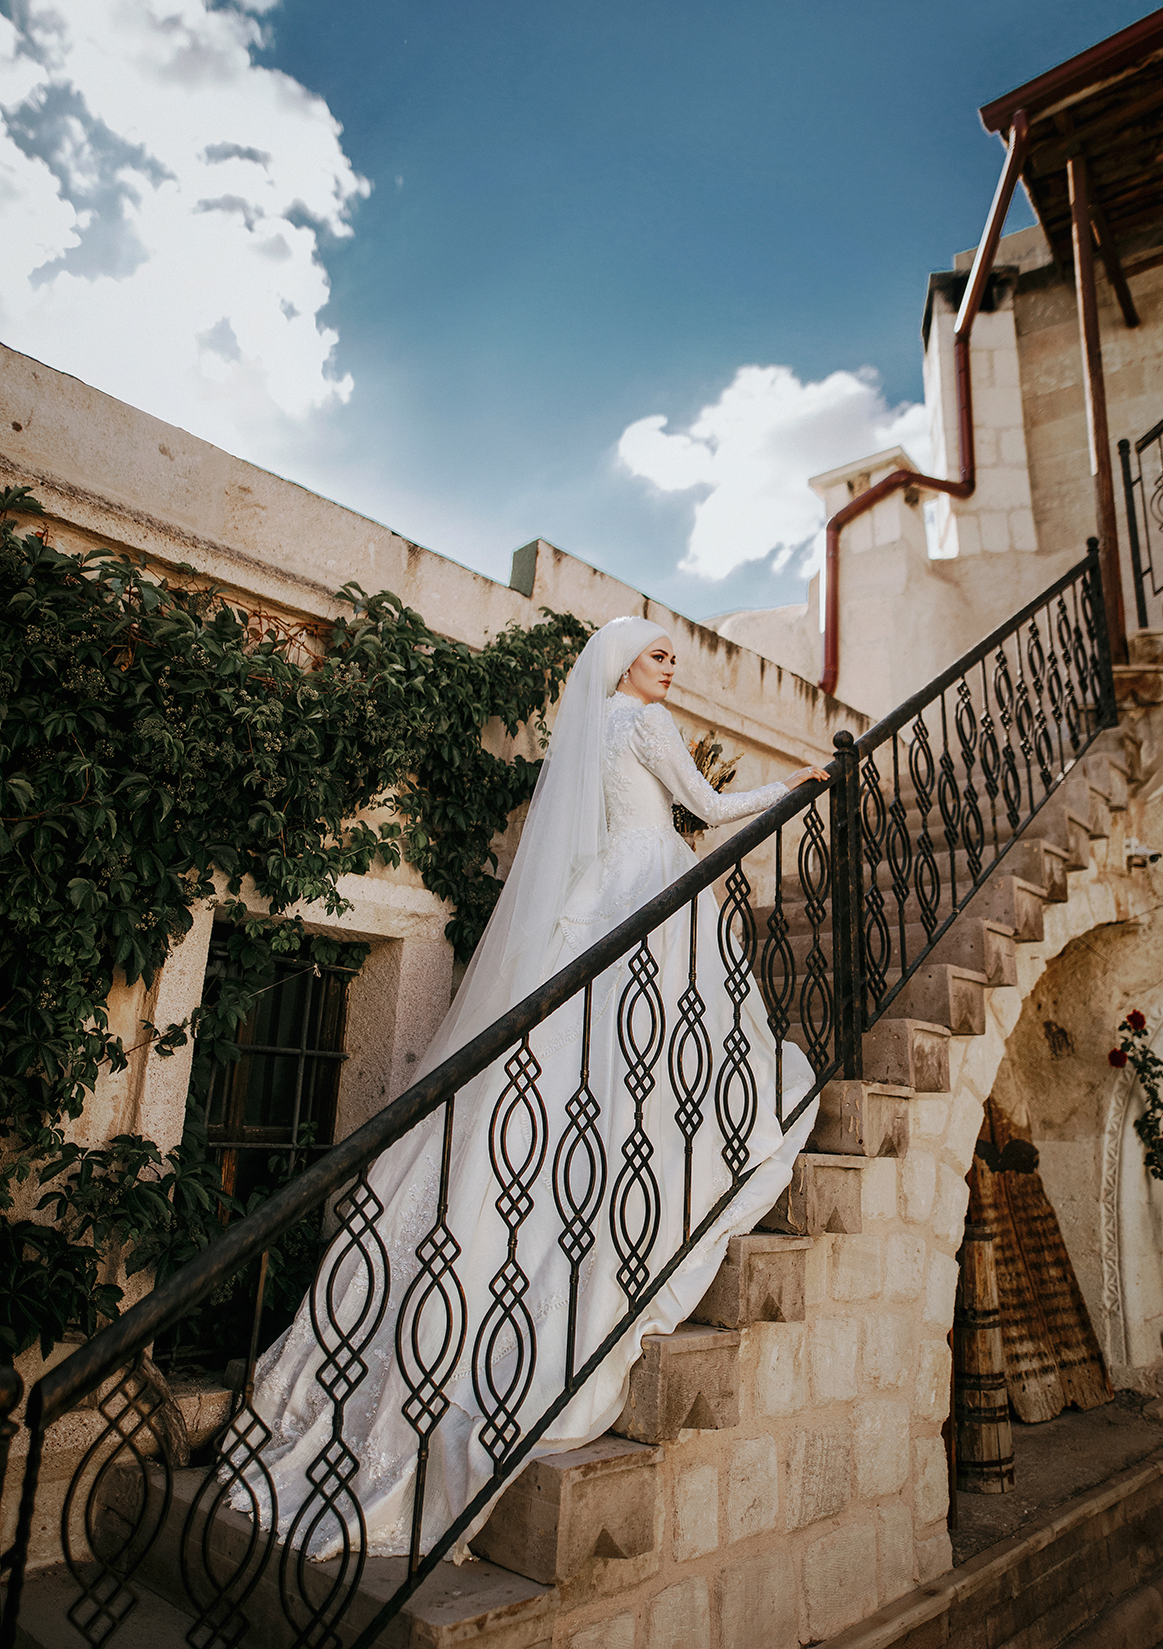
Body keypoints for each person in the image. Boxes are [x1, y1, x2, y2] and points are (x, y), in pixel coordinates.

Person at [231, 617, 827, 1563]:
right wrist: (791, 788)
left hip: (591, 896)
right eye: (660, 653)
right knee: (655, 1038)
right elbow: (706, 812)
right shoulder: (643, 725)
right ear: (624, 663)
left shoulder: (584, 731)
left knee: (573, 1057)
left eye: (675, 656)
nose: (672, 667)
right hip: (648, 887)